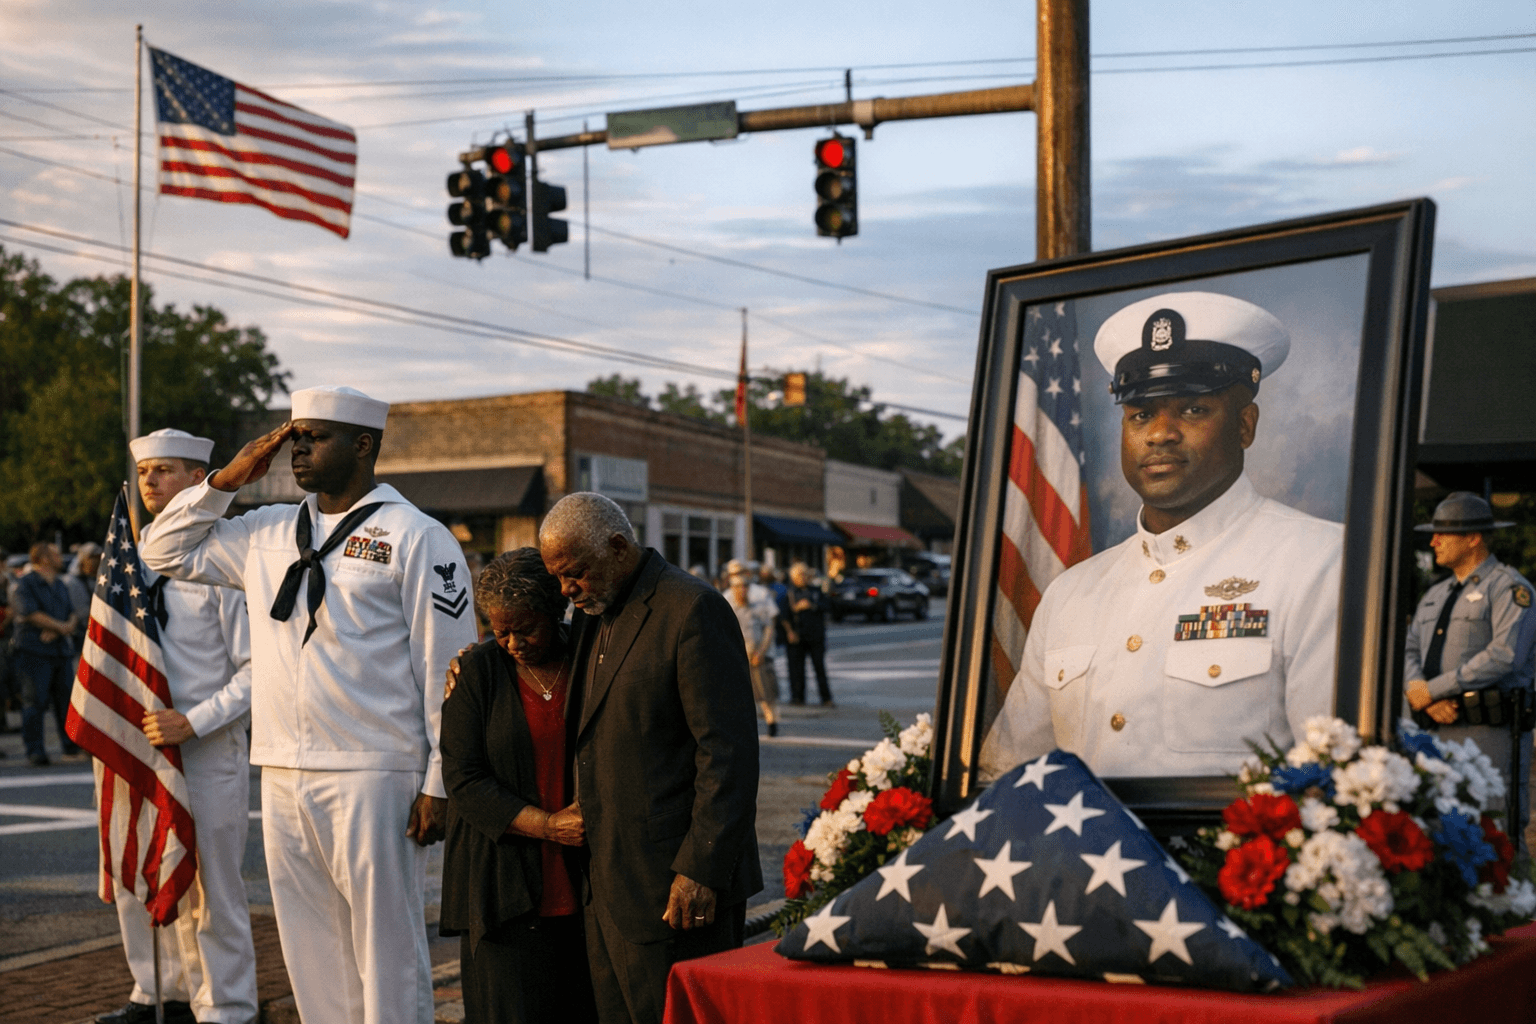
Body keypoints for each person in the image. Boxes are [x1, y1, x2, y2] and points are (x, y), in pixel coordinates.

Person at [139, 386, 478, 1024]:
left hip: (376, 768)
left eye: (315, 436)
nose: (298, 449)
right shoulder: (264, 529)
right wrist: (228, 478)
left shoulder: (416, 536)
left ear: (364, 444)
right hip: (285, 769)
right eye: (294, 436)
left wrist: (441, 780)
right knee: (310, 948)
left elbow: (449, 669)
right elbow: (161, 550)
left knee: (387, 949)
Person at [980, 291, 1343, 780]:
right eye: (1141, 415)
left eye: (1192, 410)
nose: (1159, 434)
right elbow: (1007, 773)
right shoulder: (1071, 594)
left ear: (1245, 425)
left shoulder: (1324, 564)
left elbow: (1347, 784)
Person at [539, 493, 761, 1024]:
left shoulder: (692, 609)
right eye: (559, 579)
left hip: (677, 890)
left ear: (618, 547)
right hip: (609, 887)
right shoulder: (594, 609)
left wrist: (699, 870)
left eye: (575, 574)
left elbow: (727, 754)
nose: (566, 591)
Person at [95, 429, 258, 1024]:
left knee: (212, 886)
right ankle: (155, 990)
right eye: (145, 474)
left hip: (205, 747)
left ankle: (227, 1007)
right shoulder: (125, 559)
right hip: (134, 739)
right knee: (137, 869)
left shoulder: (226, 561)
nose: (150, 483)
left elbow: (256, 669)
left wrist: (194, 720)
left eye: (165, 471)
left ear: (198, 480)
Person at [439, 548, 597, 1024]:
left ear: (556, 609)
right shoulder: (477, 674)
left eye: (524, 628)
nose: (511, 642)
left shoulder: (591, 659)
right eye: (498, 630)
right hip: (503, 886)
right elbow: (463, 779)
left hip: (587, 882)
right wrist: (549, 827)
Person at [1403, 491, 1532, 837]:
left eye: (1443, 533)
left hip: (1488, 738)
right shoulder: (1435, 594)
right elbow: (1409, 649)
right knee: (1434, 830)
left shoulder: (1509, 589)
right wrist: (1424, 696)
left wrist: (1432, 690)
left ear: (1473, 539)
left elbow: (1505, 654)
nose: (1434, 541)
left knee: (1493, 833)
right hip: (1433, 732)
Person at [12, 541, 82, 766]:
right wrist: (59, 627)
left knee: (66, 702)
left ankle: (70, 746)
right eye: (55, 554)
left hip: (60, 650)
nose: (60, 557)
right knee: (35, 701)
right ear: (43, 558)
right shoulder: (25, 584)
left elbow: (72, 612)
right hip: (34, 651)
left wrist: (63, 627)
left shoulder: (60, 584)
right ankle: (35, 750)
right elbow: (28, 612)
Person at [724, 562, 779, 737]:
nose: (741, 588)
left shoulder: (760, 595)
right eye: (733, 574)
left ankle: (772, 725)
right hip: (738, 655)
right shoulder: (725, 598)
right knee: (739, 695)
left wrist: (761, 651)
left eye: (740, 573)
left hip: (759, 653)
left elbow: (770, 626)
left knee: (766, 692)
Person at [783, 562, 832, 706]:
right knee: (796, 668)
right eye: (798, 575)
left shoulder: (816, 591)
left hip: (815, 635)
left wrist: (812, 605)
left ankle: (826, 697)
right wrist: (789, 631)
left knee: (819, 667)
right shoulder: (789, 593)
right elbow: (783, 615)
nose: (802, 577)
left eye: (804, 574)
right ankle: (797, 696)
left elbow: (827, 606)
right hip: (797, 634)